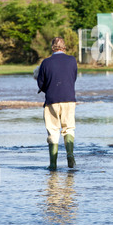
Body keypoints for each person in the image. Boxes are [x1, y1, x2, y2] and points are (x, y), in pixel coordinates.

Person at [37, 37, 77, 171]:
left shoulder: (46, 62)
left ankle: (53, 164)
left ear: (52, 48)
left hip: (52, 100)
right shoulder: (72, 60)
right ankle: (70, 155)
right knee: (69, 128)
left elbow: (41, 84)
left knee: (53, 131)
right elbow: (73, 78)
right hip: (69, 99)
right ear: (64, 47)